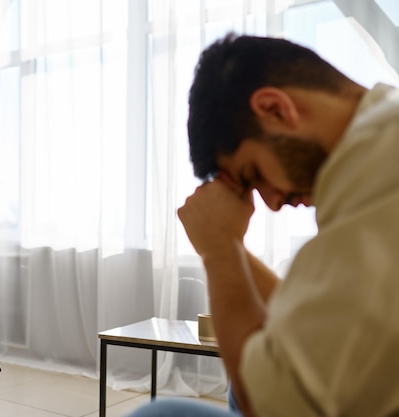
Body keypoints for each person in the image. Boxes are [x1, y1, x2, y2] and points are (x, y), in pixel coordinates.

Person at [127, 32, 399, 417]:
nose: (270, 203)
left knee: (158, 414)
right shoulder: (378, 132)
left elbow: (267, 401)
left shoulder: (376, 183)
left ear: (274, 108)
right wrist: (230, 244)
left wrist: (218, 248)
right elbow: (313, 312)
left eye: (255, 174)